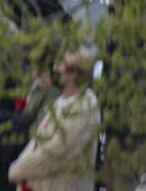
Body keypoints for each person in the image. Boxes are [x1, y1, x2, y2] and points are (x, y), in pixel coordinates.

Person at [7, 49, 101, 191]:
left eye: (59, 65)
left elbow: (56, 152)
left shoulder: (83, 107)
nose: (54, 68)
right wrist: (20, 164)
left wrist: (18, 170)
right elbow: (37, 141)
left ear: (74, 72)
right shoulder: (62, 101)